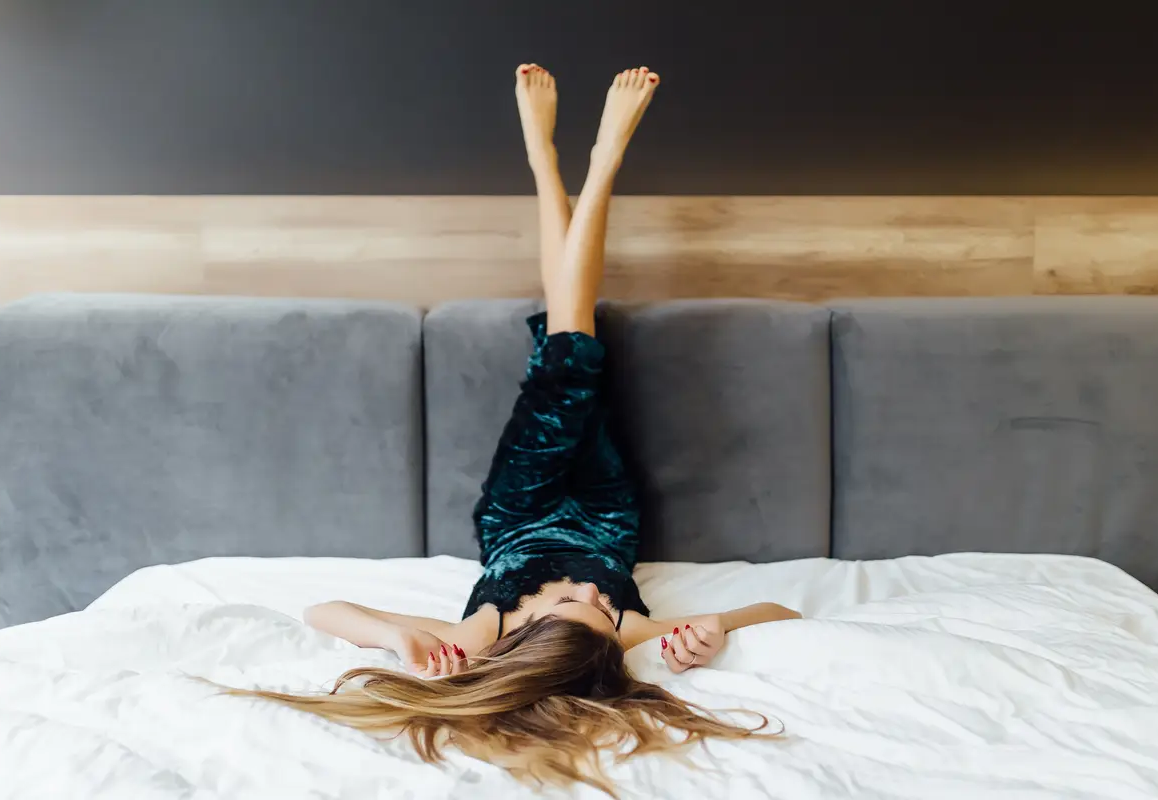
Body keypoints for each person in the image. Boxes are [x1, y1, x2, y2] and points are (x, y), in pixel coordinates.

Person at [239, 65, 800, 795]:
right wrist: (716, 630)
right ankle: (562, 164)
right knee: (570, 351)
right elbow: (782, 610)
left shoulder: (485, 638)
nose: (600, 600)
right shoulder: (621, 637)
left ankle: (586, 165)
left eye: (581, 605)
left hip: (523, 506)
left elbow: (322, 611)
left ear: (529, 631)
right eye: (606, 612)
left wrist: (394, 635)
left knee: (569, 355)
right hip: (606, 513)